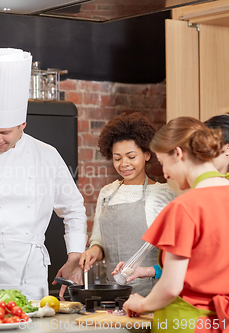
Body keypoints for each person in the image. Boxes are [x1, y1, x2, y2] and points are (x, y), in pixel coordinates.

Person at [0, 48, 87, 300]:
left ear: (22, 124)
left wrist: (74, 255)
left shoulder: (47, 155)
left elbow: (73, 208)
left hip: (30, 275)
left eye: (5, 133)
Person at [123, 117, 229, 333]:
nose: (165, 174)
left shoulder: (184, 206)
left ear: (179, 153)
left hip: (186, 323)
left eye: (163, 162)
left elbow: (171, 287)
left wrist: (140, 304)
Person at [79, 112, 176, 296]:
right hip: (113, 293)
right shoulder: (107, 193)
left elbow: (176, 254)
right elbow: (99, 240)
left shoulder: (162, 194)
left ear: (146, 154)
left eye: (131, 157)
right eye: (117, 158)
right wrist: (93, 251)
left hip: (152, 295)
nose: (124, 164)